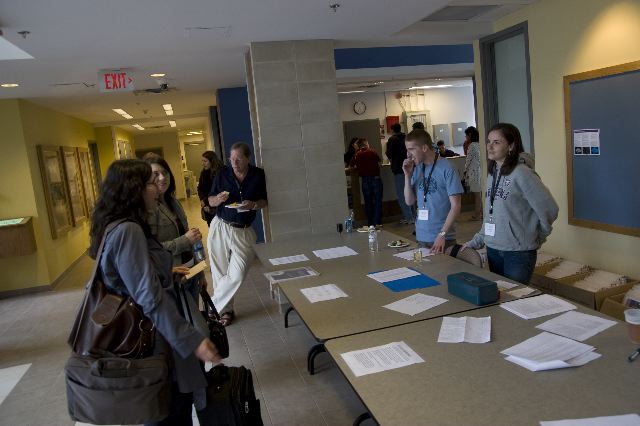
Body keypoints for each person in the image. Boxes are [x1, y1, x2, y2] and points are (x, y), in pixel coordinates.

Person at [88, 159, 220, 425]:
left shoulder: (117, 226)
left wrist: (165, 272)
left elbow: (127, 277)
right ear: (134, 190)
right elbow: (148, 297)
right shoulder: (128, 231)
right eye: (150, 183)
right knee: (168, 411)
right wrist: (192, 341)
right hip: (152, 343)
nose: (157, 188)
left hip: (150, 340)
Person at [463, 123, 558, 284]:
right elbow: (491, 215)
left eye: (496, 142)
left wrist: (537, 236)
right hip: (493, 249)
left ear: (511, 146)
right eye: (488, 141)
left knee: (515, 296)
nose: (490, 147)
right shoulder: (493, 172)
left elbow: (549, 208)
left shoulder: (522, 173)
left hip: (518, 252)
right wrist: (477, 240)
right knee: (501, 295)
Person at [207, 142, 268, 326]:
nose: (234, 163)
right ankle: (225, 311)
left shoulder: (258, 175)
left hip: (244, 230)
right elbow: (210, 201)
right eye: (231, 159)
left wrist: (254, 205)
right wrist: (218, 199)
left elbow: (265, 201)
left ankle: (213, 307)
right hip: (221, 226)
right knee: (219, 273)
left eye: (239, 159)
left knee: (237, 274)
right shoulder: (222, 174)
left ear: (247, 158)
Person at [403, 129, 463, 253]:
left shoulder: (447, 168)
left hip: (442, 238)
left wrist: (442, 234)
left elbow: (456, 206)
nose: (408, 154)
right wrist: (407, 176)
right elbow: (409, 201)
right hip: (421, 236)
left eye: (411, 149)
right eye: (407, 150)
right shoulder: (417, 168)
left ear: (424, 148)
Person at [349, 138, 383, 227]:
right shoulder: (372, 152)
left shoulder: (356, 155)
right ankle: (377, 223)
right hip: (375, 179)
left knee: (368, 202)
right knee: (377, 201)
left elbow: (351, 166)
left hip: (365, 180)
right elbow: (379, 163)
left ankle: (370, 223)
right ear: (366, 144)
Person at [385, 123, 413, 225]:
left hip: (399, 170)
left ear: (392, 130)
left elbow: (389, 154)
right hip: (410, 168)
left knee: (402, 195)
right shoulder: (407, 137)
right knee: (411, 193)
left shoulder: (392, 139)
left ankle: (408, 218)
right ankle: (414, 216)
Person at [198, 150, 224, 225]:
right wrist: (202, 200)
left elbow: (219, 191)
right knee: (211, 227)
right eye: (202, 161)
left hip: (218, 207)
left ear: (212, 161)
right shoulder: (203, 173)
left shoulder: (220, 172)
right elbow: (200, 188)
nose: (203, 164)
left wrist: (206, 201)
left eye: (205, 161)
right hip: (207, 208)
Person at [463, 126, 483, 220]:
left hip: (474, 173)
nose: (466, 137)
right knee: (480, 194)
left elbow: (468, 160)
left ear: (470, 135)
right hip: (480, 172)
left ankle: (477, 215)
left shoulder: (472, 145)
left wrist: (464, 171)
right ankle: (481, 213)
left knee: (477, 195)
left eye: (466, 135)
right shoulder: (480, 144)